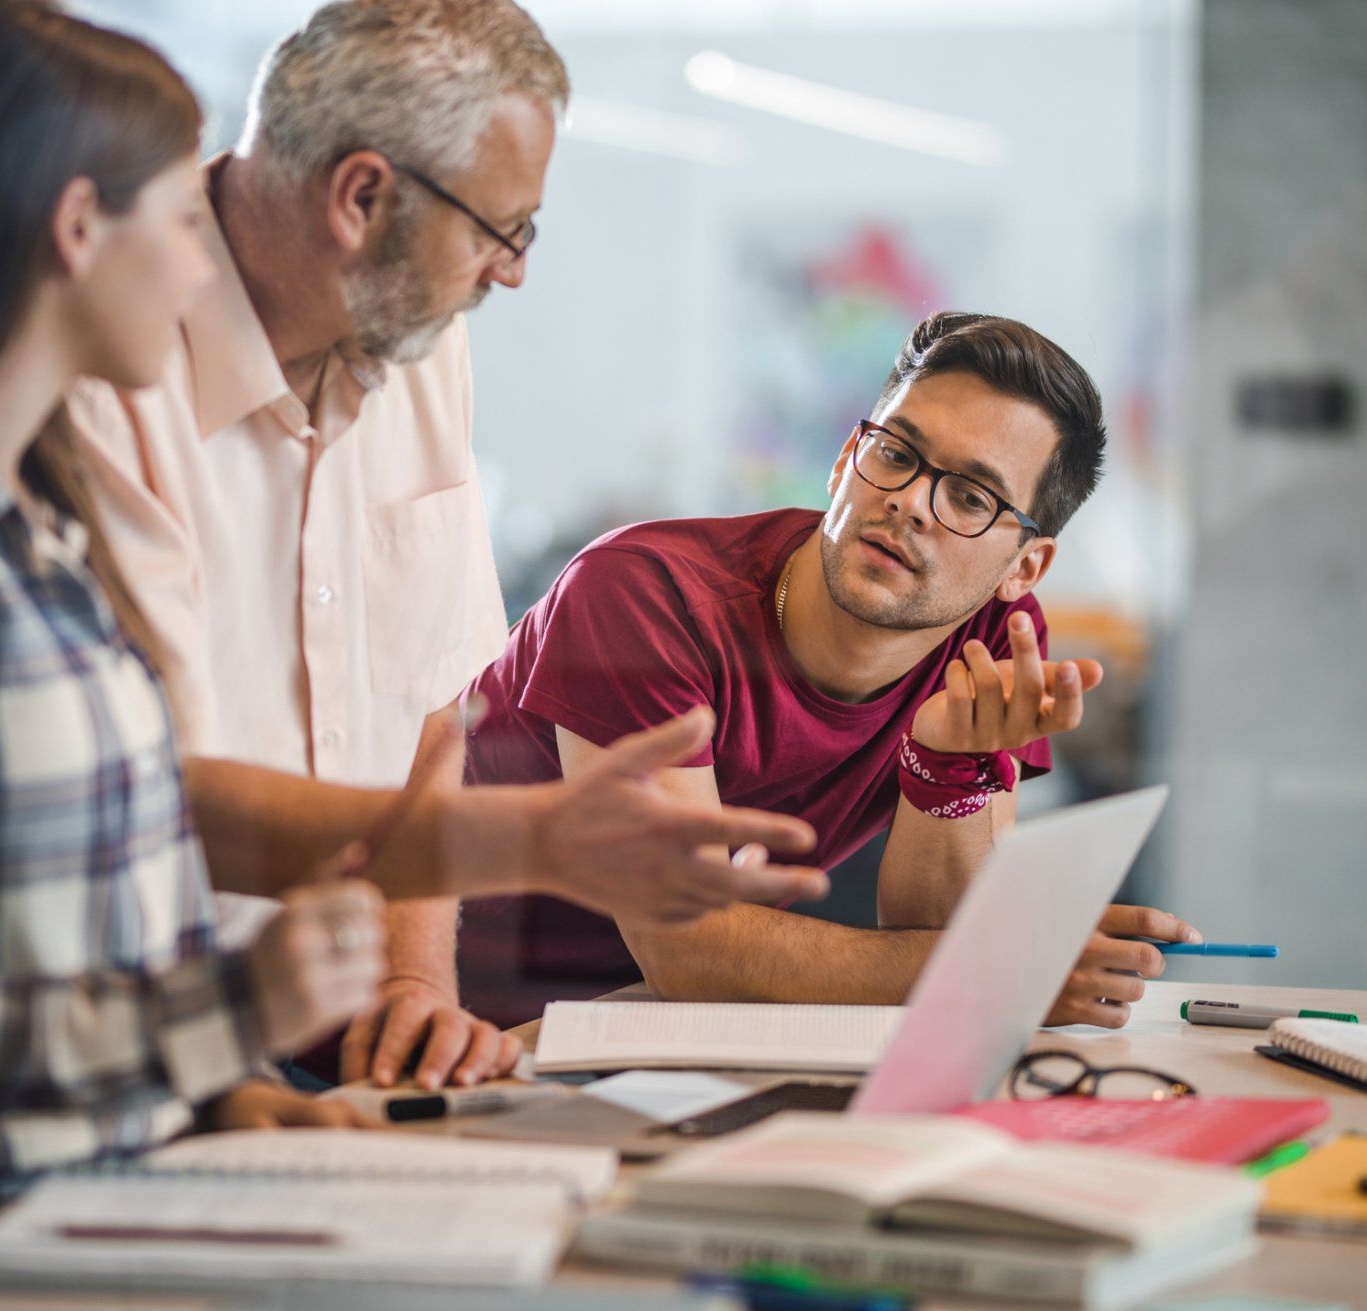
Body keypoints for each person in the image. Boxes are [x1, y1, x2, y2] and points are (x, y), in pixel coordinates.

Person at [63, 0, 824, 1094]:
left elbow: (430, 715)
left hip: (332, 1033)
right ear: (361, 196)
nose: (510, 273)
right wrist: (528, 838)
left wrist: (417, 986)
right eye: (498, 231)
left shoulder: (417, 342)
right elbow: (148, 796)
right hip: (149, 1039)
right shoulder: (107, 362)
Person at [0, 1, 392, 1249]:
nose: (192, 270)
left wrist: (222, 1099)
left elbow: (67, 949)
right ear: (76, 229)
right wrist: (227, 1010)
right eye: (180, 221)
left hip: (86, 1223)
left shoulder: (41, 530)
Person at [461, 312, 1202, 1027]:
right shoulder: (644, 594)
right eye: (896, 453)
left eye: (970, 498)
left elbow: (937, 931)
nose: (910, 501)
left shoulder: (992, 642)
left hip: (665, 1035)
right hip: (450, 1025)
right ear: (847, 458)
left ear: (1024, 566)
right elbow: (688, 946)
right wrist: (1005, 971)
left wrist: (947, 763)